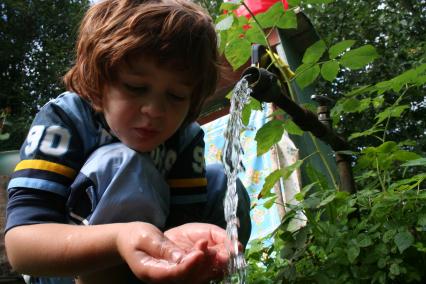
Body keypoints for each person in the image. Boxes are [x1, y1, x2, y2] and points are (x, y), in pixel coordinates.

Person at [4, 0, 251, 283]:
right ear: (98, 81)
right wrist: (121, 237)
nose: (155, 110)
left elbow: (183, 224)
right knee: (122, 163)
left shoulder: (186, 137)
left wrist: (189, 255)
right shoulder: (66, 119)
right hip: (67, 270)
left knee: (221, 182)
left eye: (176, 96)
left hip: (149, 262)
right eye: (136, 88)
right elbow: (21, 246)